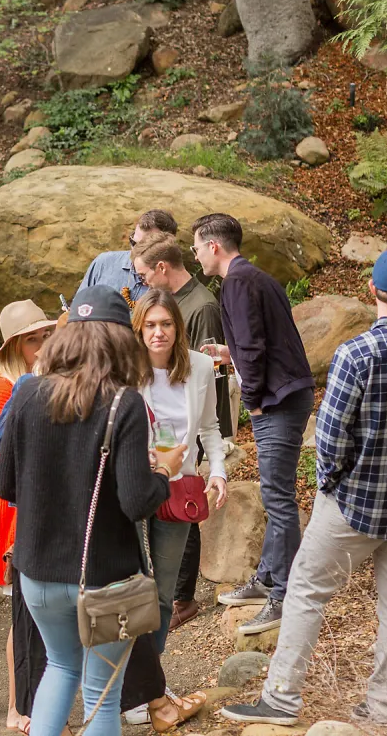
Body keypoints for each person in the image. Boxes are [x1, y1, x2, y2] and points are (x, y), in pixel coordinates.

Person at [221, 250, 387, 726]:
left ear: (373, 291)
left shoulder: (356, 354)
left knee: (305, 591)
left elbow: (330, 439)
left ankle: (281, 698)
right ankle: (383, 707)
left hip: (353, 502)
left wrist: (331, 486)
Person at [0, 285, 204, 736]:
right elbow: (136, 501)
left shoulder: (28, 393)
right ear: (119, 340)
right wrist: (164, 472)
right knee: (101, 693)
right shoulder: (122, 402)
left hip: (37, 573)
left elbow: (6, 485)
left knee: (60, 667)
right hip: (104, 575)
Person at [192, 213, 313, 634]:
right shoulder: (255, 277)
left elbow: (257, 346)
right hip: (285, 394)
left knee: (279, 500)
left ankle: (284, 595)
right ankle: (267, 580)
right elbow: (257, 341)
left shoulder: (237, 282)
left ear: (213, 246)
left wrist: (255, 401)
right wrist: (230, 355)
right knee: (276, 495)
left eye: (195, 248)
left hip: (277, 400)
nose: (195, 257)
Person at [132, 230, 233, 630]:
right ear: (139, 330)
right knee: (132, 587)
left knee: (163, 595)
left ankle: (153, 682)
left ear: (178, 327)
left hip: (179, 486)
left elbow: (210, 426)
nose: (159, 332)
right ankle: (129, 681)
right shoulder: (125, 372)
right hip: (133, 487)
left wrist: (220, 470)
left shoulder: (201, 369)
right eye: (151, 325)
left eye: (167, 324)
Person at [0, 300, 57, 734]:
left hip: (24, 514)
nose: (42, 345)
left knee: (36, 620)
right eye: (33, 339)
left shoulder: (22, 382)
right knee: (26, 622)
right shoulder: (4, 391)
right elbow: (14, 463)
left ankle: (29, 703)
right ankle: (17, 707)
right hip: (14, 519)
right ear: (13, 346)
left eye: (46, 336)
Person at [77, 209, 179, 302]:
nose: (135, 250)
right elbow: (78, 305)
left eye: (144, 247)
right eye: (133, 242)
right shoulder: (104, 263)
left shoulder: (172, 283)